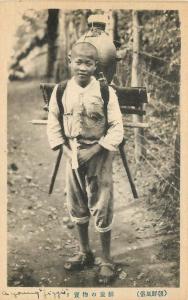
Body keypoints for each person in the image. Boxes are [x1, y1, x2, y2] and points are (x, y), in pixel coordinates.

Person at [47, 42, 124, 284]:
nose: (83, 68)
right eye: (78, 62)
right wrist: (70, 155)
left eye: (89, 63)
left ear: (96, 66)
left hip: (98, 154)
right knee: (77, 203)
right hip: (73, 154)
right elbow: (53, 125)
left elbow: (116, 127)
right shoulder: (60, 91)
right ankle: (85, 252)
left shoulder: (105, 92)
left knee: (101, 204)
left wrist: (95, 150)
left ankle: (107, 260)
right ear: (70, 61)